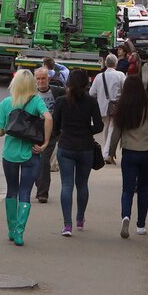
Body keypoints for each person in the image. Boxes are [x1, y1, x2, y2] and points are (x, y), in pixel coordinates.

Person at [0, 69, 52, 246]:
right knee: (25, 192)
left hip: (10, 154)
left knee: (11, 190)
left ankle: (11, 230)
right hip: (31, 153)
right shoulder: (36, 101)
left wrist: (7, 129)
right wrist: (45, 143)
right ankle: (20, 232)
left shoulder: (6, 103)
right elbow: (48, 118)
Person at [108, 75, 148, 239]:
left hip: (129, 152)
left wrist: (110, 153)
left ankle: (126, 216)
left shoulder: (122, 109)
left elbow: (115, 134)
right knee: (143, 189)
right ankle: (141, 225)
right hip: (147, 153)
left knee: (127, 189)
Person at [51, 68, 104, 236]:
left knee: (66, 185)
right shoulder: (91, 101)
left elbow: (54, 125)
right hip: (85, 148)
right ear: (85, 83)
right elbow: (99, 126)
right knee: (82, 185)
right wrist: (86, 130)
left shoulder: (61, 101)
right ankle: (80, 218)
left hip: (66, 146)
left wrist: (63, 132)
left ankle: (67, 225)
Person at [32, 66, 66, 203]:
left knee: (44, 160)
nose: (41, 81)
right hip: (34, 133)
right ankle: (40, 185)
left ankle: (42, 193)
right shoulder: (31, 94)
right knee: (35, 161)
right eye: (38, 79)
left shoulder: (58, 92)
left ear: (49, 79)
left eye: (43, 78)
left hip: (52, 133)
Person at [89, 53, 126, 155]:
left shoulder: (99, 76)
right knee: (112, 127)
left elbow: (92, 93)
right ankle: (107, 152)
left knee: (106, 127)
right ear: (116, 63)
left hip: (102, 107)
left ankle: (106, 149)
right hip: (116, 106)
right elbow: (126, 90)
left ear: (105, 63)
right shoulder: (120, 75)